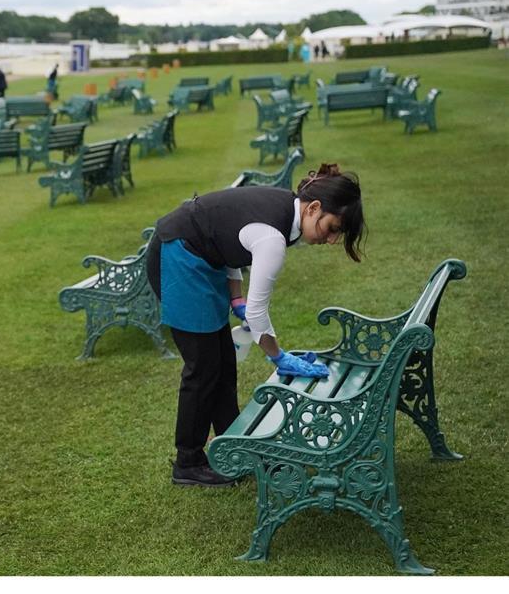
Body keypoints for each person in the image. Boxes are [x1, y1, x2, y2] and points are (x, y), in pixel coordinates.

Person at [144, 163, 366, 488]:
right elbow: (258, 314)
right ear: (314, 208)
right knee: (203, 369)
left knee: (223, 363)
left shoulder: (283, 215)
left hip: (202, 258)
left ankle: (234, 446)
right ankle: (188, 463)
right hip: (178, 258)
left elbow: (227, 241)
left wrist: (235, 298)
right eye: (333, 228)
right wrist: (278, 356)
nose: (332, 240)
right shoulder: (273, 238)